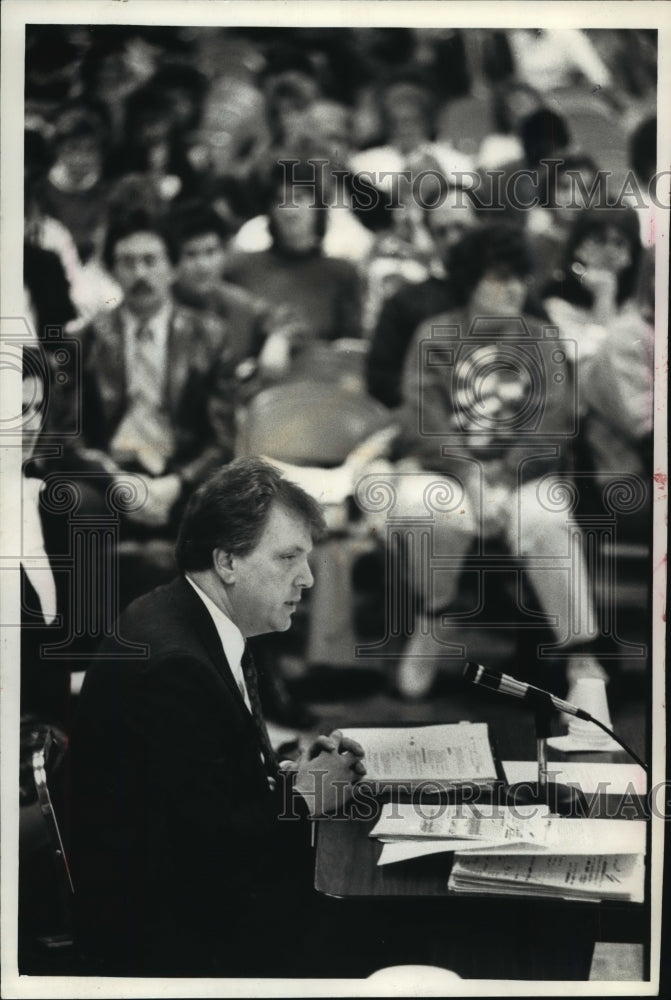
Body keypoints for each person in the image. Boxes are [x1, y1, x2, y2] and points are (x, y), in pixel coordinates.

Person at [70, 458, 366, 976]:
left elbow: (202, 793)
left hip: (190, 901)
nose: (309, 578)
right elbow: (216, 855)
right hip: (178, 941)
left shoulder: (189, 614)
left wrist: (285, 774)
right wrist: (308, 797)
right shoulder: (175, 667)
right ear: (227, 561)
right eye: (288, 558)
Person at [361, 225, 605, 699]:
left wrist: (506, 472)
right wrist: (470, 474)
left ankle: (584, 662)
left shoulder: (543, 338)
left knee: (547, 520)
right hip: (448, 473)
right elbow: (418, 419)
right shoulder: (434, 334)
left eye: (519, 277)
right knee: (428, 509)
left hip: (526, 476)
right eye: (499, 277)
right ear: (470, 280)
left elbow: (555, 423)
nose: (514, 287)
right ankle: (436, 618)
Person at [53, 209, 237, 537]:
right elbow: (67, 433)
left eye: (151, 260)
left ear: (173, 268)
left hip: (179, 472)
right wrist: (113, 480)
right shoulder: (85, 339)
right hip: (112, 472)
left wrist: (177, 482)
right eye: (128, 262)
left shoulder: (210, 335)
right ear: (112, 271)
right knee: (75, 500)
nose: (140, 274)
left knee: (222, 503)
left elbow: (222, 437)